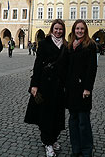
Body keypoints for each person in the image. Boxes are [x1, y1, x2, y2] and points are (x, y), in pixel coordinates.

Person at [24, 19, 67, 157]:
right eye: (56, 29)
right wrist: (34, 85)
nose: (58, 31)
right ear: (52, 29)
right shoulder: (44, 43)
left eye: (60, 29)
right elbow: (37, 65)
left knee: (58, 114)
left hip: (60, 86)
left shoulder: (66, 45)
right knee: (46, 114)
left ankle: (53, 139)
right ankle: (47, 142)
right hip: (45, 85)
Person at [66, 19, 97, 157]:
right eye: (77, 29)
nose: (79, 31)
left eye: (82, 29)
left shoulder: (90, 45)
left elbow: (92, 69)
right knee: (73, 120)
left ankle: (86, 150)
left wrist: (87, 88)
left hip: (83, 88)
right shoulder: (70, 46)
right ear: (74, 30)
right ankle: (76, 148)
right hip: (71, 88)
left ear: (85, 30)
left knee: (83, 121)